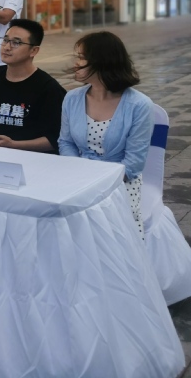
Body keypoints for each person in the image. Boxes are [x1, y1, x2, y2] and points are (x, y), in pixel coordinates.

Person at [58, 32, 153, 237]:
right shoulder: (72, 98)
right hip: (79, 178)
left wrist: (98, 183)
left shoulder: (139, 105)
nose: (76, 63)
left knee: (116, 238)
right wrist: (79, 172)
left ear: (102, 61)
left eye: (81, 57)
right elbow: (65, 142)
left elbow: (134, 162)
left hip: (120, 184)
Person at [0, 19, 65, 152]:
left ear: (34, 50)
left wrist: (13, 145)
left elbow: (55, 140)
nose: (7, 47)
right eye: (5, 40)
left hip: (29, 158)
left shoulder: (48, 88)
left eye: (16, 43)